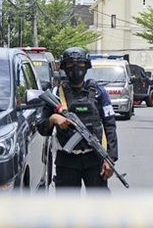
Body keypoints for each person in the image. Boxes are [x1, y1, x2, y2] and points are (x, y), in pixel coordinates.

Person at [38, 46, 118, 193]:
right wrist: (53, 119)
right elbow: (41, 127)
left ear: (86, 67)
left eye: (80, 64)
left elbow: (110, 125)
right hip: (66, 160)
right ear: (64, 68)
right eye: (70, 65)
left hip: (95, 159)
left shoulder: (99, 93)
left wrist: (110, 159)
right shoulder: (55, 94)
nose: (75, 69)